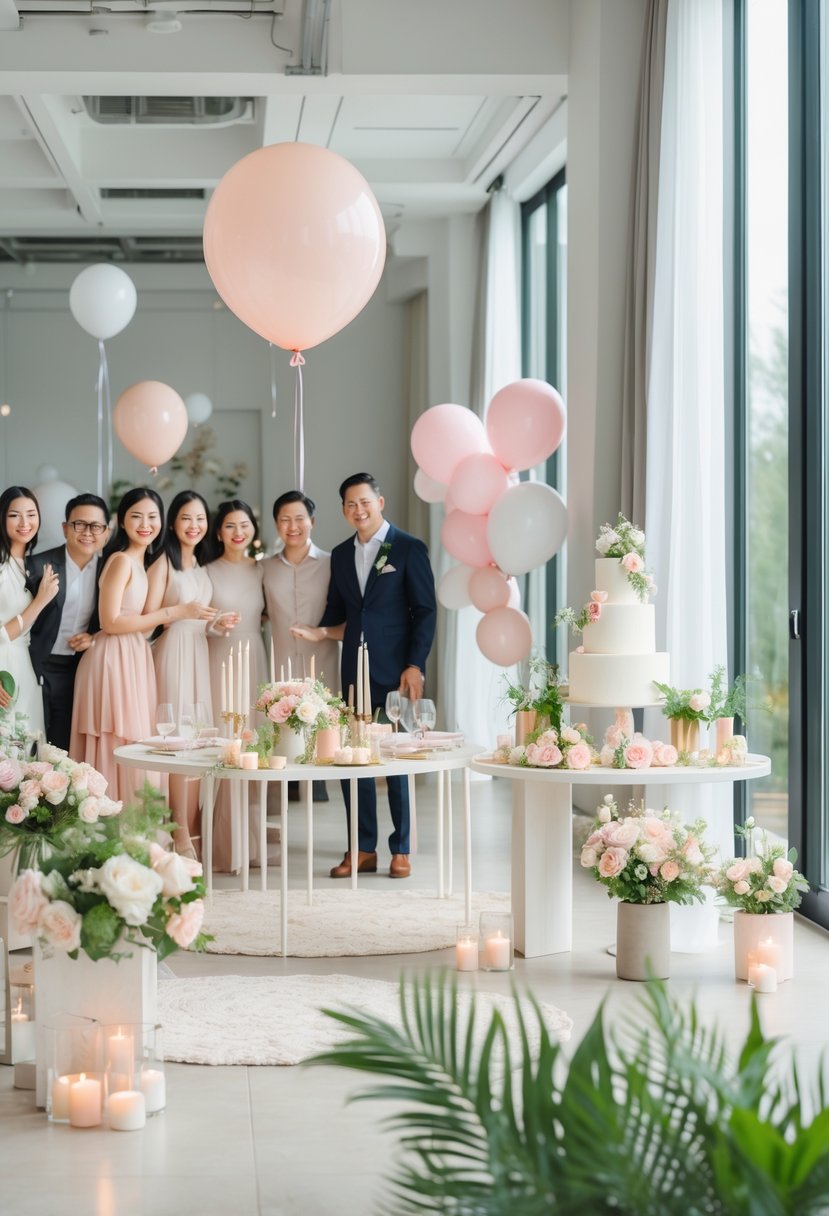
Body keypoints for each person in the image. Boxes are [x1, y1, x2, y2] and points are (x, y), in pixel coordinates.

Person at [292, 473, 436, 879]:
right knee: (353, 760)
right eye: (350, 504)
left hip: (397, 671)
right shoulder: (340, 554)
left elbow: (425, 612)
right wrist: (316, 630)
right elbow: (340, 613)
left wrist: (415, 664)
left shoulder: (407, 548)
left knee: (394, 759)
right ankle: (362, 847)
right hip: (353, 670)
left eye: (365, 502)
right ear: (343, 510)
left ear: (380, 501)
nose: (358, 510)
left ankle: (401, 847)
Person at [70, 487, 214, 802]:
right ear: (122, 522)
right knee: (115, 741)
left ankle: (130, 828)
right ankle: (110, 827)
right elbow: (110, 621)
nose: (146, 524)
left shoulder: (138, 563)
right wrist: (174, 612)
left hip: (132, 654)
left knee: (132, 742)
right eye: (137, 516)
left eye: (152, 517)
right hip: (113, 658)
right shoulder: (121, 560)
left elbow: (130, 621)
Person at [147, 490, 231, 858]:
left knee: (198, 740)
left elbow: (203, 620)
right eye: (186, 518)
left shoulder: (202, 568)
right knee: (176, 739)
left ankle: (192, 827)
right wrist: (181, 611)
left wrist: (219, 625)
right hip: (173, 653)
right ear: (171, 523)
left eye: (200, 519)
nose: (194, 526)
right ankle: (177, 830)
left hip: (199, 652)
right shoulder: (162, 563)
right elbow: (149, 619)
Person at [262, 490, 338, 803]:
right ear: (276, 524)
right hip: (279, 663)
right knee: (281, 739)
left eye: (299, 519)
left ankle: (316, 788)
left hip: (322, 662)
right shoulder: (264, 568)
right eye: (284, 520)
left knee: (322, 742)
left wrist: (322, 632)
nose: (292, 526)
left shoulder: (333, 564)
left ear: (312, 522)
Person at [205, 499, 268, 872]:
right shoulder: (207, 571)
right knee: (225, 745)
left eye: (244, 525)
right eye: (230, 526)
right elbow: (199, 620)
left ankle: (253, 845)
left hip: (255, 655)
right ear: (218, 532)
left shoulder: (262, 571)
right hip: (221, 658)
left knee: (254, 746)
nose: (238, 532)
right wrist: (216, 625)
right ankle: (226, 846)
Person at [26, 492, 111, 751]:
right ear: (65, 528)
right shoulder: (38, 565)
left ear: (106, 533)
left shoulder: (109, 569)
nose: (87, 532)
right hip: (35, 664)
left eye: (96, 526)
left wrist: (93, 637)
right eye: (79, 524)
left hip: (78, 669)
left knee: (63, 745)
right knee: (29, 738)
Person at [0, 486, 60, 739]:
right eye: (15, 515)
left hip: (27, 665)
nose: (25, 522)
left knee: (28, 745)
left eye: (31, 514)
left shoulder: (35, 566)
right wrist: (41, 600)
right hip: (3, 663)